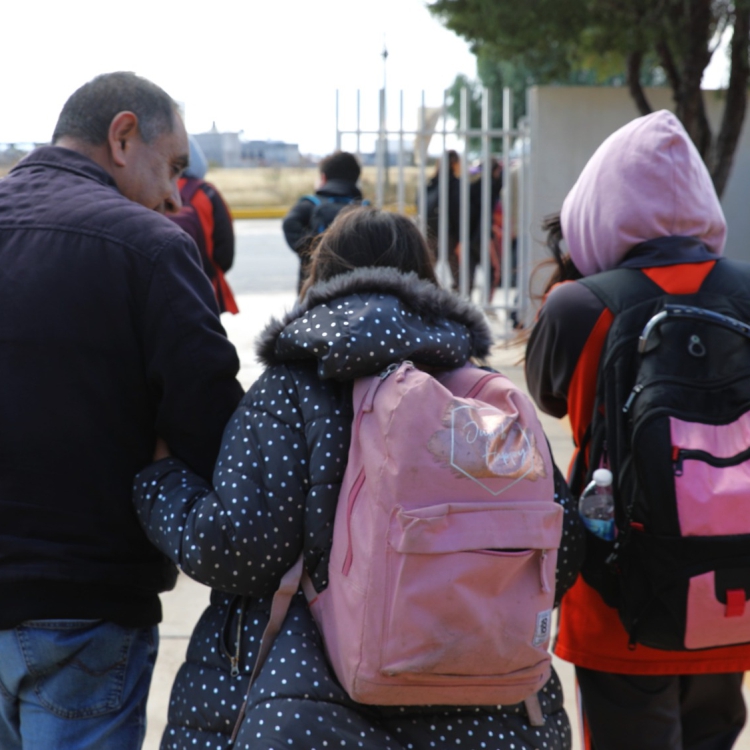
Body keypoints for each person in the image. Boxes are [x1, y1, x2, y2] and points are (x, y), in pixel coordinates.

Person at [133, 206, 583, 750]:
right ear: (427, 278)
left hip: (310, 710)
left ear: (322, 276)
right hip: (494, 714)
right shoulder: (483, 397)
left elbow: (241, 549)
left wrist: (162, 485)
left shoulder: (288, 391)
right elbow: (560, 554)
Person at [0, 71, 244, 750]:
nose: (174, 192)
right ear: (123, 135)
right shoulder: (151, 247)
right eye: (169, 167)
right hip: (84, 608)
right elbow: (216, 427)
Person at [525, 109, 750, 749]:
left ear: (599, 210)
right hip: (734, 577)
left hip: (618, 589)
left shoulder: (582, 303)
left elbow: (547, 396)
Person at [168, 135, 239, 314]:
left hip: (162, 289)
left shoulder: (150, 190)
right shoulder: (206, 192)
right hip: (205, 289)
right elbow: (225, 251)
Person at [282, 150, 364, 291]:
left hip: (314, 289)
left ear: (323, 178)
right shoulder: (363, 209)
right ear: (356, 179)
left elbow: (289, 224)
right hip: (356, 290)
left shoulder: (309, 205)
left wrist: (313, 249)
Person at [423, 149, 461, 284]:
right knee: (458, 270)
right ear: (454, 163)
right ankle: (461, 297)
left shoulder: (432, 182)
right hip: (449, 232)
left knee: (427, 269)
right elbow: (457, 210)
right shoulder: (456, 184)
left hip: (430, 229)